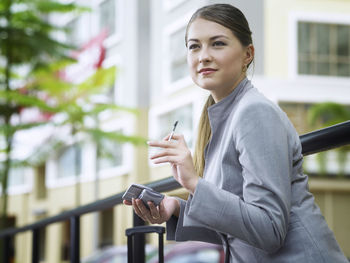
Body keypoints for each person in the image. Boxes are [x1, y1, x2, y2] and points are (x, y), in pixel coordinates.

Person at [124, 4, 348, 263]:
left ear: (247, 54)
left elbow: (269, 230)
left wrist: (194, 183)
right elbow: (238, 227)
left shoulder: (254, 113)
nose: (203, 56)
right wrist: (177, 208)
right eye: (194, 46)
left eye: (217, 44)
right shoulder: (222, 118)